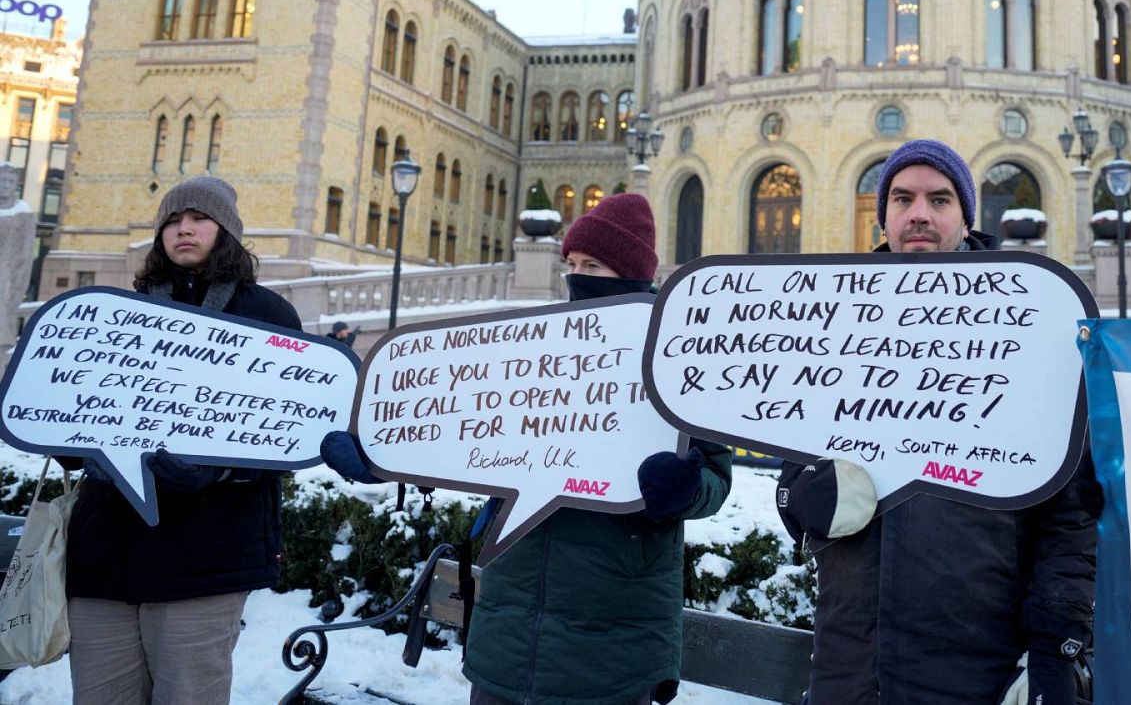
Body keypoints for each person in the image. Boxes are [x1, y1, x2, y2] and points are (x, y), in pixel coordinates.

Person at [322, 193, 732, 705]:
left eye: (594, 265)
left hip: (613, 648)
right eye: (573, 264)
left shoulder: (682, 351)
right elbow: (459, 434)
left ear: (630, 274)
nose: (577, 275)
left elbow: (716, 477)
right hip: (506, 635)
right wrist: (387, 456)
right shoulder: (533, 350)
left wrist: (686, 490)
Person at [776, 139, 1101, 704]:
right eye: (902, 199)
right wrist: (808, 497)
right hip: (851, 669)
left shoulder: (1027, 329)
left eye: (939, 199)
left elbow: (1071, 516)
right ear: (883, 217)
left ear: (965, 217)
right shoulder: (836, 325)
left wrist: (1056, 649)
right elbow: (793, 482)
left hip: (977, 670)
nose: (918, 214)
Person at [64, 176, 302, 704]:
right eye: (172, 220)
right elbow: (71, 407)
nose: (183, 229)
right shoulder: (115, 315)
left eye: (198, 218)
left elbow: (285, 431)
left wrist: (219, 469)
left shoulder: (267, 317)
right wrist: (73, 444)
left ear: (227, 233)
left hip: (206, 558)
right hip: (105, 555)